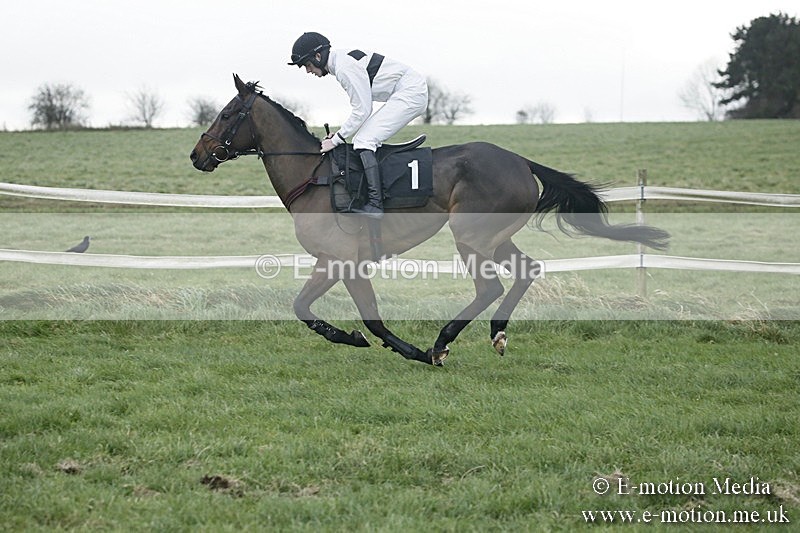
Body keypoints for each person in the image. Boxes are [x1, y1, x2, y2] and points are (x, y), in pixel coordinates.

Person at [288, 32, 429, 219]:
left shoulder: (345, 68)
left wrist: (336, 139)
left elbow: (362, 110)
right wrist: (339, 135)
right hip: (406, 91)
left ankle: (375, 205)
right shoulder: (341, 63)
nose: (308, 71)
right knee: (363, 139)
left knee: (364, 140)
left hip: (410, 92)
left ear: (318, 57)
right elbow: (363, 109)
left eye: (307, 65)